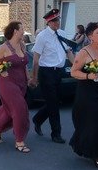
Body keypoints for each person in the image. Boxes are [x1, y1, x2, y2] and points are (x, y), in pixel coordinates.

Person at [69, 22, 98, 170]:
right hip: (87, 92)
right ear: (90, 37)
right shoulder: (84, 52)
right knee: (96, 122)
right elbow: (74, 72)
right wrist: (88, 75)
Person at [30, 9, 75, 143]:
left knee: (56, 101)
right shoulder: (42, 36)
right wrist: (34, 77)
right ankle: (56, 133)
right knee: (53, 104)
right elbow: (36, 59)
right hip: (46, 72)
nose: (57, 22)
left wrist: (76, 66)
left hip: (59, 72)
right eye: (54, 20)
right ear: (48, 22)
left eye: (58, 20)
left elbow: (69, 52)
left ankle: (38, 119)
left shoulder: (62, 34)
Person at [0, 21, 31, 152]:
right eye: (22, 29)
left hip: (21, 83)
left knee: (8, 111)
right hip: (7, 83)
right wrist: (2, 71)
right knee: (20, 109)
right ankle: (19, 141)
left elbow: (24, 65)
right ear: (15, 31)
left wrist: (29, 78)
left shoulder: (22, 45)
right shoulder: (4, 47)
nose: (23, 31)